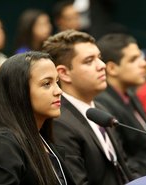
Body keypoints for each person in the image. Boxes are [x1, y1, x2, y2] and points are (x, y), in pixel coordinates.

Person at [42, 30, 135, 185]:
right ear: (64, 73)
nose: (102, 66)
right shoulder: (59, 123)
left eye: (99, 58)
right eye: (89, 61)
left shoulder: (100, 109)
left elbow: (124, 167)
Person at [0, 51, 76, 185]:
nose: (59, 91)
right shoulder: (2, 144)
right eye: (47, 84)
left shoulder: (41, 137)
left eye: (57, 82)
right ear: (19, 91)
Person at [95, 33, 146, 176]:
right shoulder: (103, 103)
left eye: (141, 56)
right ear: (112, 68)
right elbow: (125, 160)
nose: (143, 63)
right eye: (133, 59)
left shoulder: (130, 93)